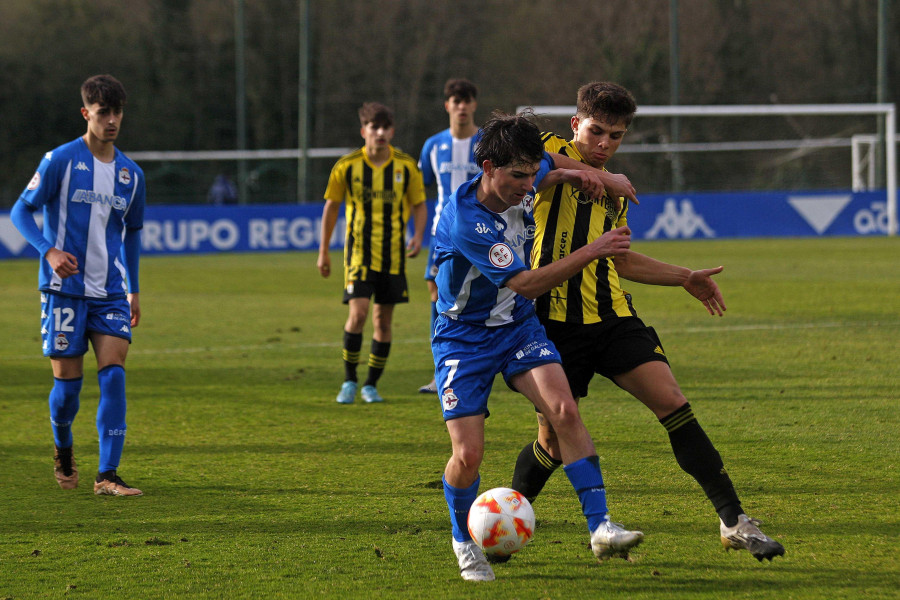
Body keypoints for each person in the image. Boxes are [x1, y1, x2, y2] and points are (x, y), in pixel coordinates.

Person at [510, 81, 785, 562]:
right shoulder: (549, 150)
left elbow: (620, 259)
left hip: (613, 317)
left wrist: (685, 277)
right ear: (576, 124)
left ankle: (734, 522)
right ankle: (506, 525)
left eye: (615, 136)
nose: (604, 145)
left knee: (674, 404)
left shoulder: (614, 192)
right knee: (551, 442)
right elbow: (543, 170)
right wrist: (602, 177)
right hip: (552, 323)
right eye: (596, 131)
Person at [432, 111, 643, 582]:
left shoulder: (528, 172)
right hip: (463, 339)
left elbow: (548, 162)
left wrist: (585, 173)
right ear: (487, 167)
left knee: (564, 411)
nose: (528, 186)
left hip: (518, 328)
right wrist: (595, 248)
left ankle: (601, 526)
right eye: (517, 176)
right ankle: (464, 541)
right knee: (467, 457)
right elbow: (526, 283)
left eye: (532, 175)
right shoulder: (468, 220)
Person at [10, 74, 145, 496]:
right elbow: (20, 211)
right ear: (86, 113)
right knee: (68, 391)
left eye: (117, 112)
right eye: (103, 113)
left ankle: (107, 474)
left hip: (109, 293)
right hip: (63, 291)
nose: (112, 121)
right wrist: (48, 250)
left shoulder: (131, 175)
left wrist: (134, 288)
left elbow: (134, 233)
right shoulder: (60, 160)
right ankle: (63, 447)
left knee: (114, 377)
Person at [318, 102, 427, 404]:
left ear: (391, 131)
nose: (379, 133)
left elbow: (419, 204)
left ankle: (371, 384)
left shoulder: (405, 166)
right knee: (359, 314)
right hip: (358, 256)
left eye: (385, 128)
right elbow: (331, 207)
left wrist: (418, 236)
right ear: (363, 130)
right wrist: (323, 250)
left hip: (393, 257)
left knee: (383, 321)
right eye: (373, 127)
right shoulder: (346, 166)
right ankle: (349, 380)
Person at [416, 78, 482, 394]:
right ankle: (442, 370)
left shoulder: (486, 142)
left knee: (491, 296)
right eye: (456, 101)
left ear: (474, 105)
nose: (462, 106)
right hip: (442, 235)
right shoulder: (432, 146)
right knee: (438, 297)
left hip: (483, 234)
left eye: (467, 100)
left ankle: (490, 360)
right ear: (447, 106)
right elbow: (421, 187)